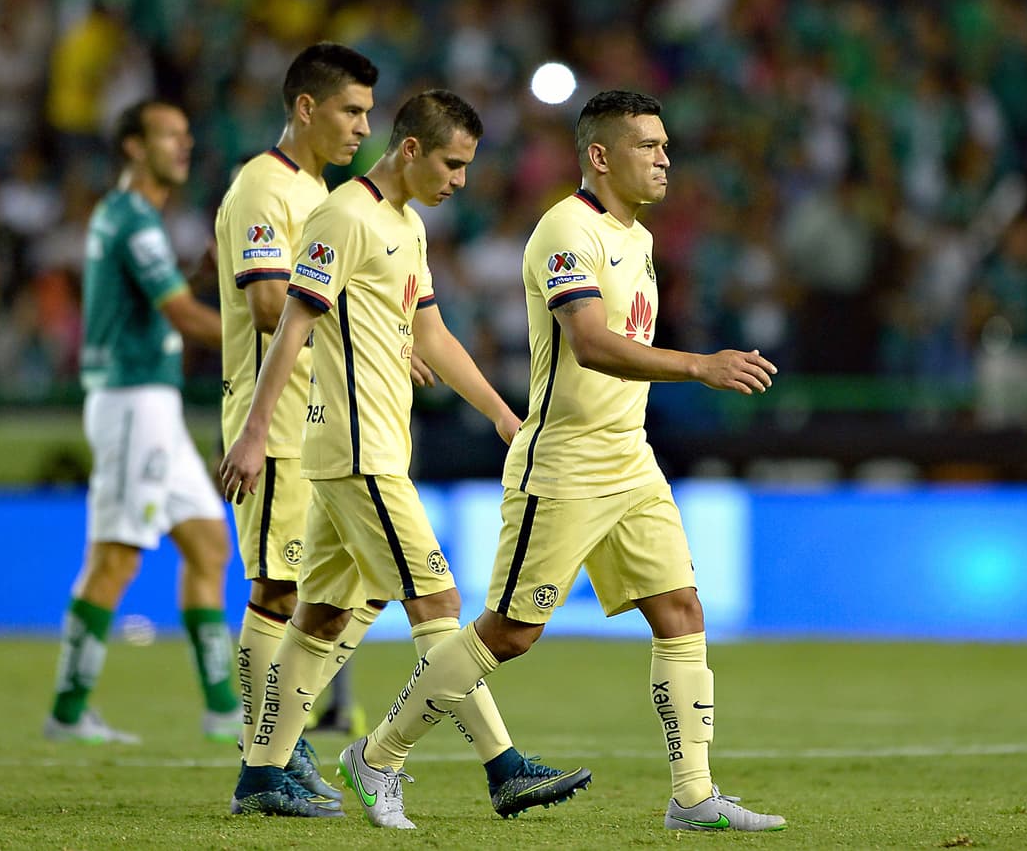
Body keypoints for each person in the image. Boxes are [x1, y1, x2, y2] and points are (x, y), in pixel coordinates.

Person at [335, 90, 787, 833]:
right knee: (509, 633)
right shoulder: (564, 230)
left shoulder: (635, 240)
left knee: (681, 612)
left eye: (666, 144)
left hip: (630, 461)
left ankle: (693, 796)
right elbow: (591, 342)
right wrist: (700, 367)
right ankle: (377, 755)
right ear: (601, 156)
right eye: (648, 145)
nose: (665, 157)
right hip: (565, 464)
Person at [218, 89, 591, 823]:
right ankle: (503, 765)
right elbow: (291, 322)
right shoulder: (343, 215)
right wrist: (257, 431)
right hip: (356, 449)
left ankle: (261, 770)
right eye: (452, 163)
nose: (460, 180)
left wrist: (501, 414)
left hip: (370, 446)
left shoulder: (405, 226)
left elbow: (432, 336)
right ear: (412, 150)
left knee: (322, 614)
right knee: (440, 603)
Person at [214, 42, 381, 802]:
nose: (362, 129)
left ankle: (280, 739)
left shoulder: (320, 192)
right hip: (274, 417)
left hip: (322, 418)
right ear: (306, 108)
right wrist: (363, 328)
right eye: (351, 111)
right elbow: (269, 303)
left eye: (369, 114)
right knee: (278, 591)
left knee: (360, 588)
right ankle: (265, 761)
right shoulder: (263, 187)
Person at [44, 99, 238, 744]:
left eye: (187, 135)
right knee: (117, 555)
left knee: (208, 543)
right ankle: (67, 715)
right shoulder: (133, 218)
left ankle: (222, 711)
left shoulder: (133, 217)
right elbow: (183, 317)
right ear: (133, 146)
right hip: (133, 401)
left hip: (154, 401)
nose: (185, 146)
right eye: (170, 136)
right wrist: (276, 343)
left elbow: (160, 306)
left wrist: (196, 276)